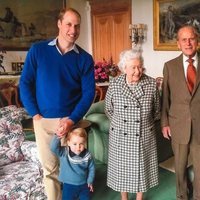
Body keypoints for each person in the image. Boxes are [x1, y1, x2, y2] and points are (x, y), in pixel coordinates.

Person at [19, 7, 95, 200]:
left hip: (71, 122)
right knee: (50, 170)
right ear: (59, 24)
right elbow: (25, 83)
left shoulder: (85, 58)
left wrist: (71, 120)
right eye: (69, 24)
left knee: (74, 168)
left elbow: (88, 94)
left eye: (77, 26)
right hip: (43, 121)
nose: (73, 30)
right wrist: (35, 114)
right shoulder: (38, 50)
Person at [105, 49, 160, 200]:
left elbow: (157, 110)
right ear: (124, 68)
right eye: (133, 67)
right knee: (122, 169)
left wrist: (145, 124)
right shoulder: (115, 83)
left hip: (143, 134)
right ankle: (124, 197)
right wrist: (119, 125)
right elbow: (108, 109)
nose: (137, 71)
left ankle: (139, 197)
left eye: (140, 66)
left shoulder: (150, 83)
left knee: (141, 168)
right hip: (120, 135)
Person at [161, 25, 200, 200]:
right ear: (178, 44)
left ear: (197, 41)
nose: (188, 43)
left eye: (191, 38)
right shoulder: (169, 66)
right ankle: (182, 195)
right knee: (180, 165)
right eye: (184, 39)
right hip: (178, 125)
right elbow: (165, 98)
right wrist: (164, 123)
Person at [50, 127, 95, 200]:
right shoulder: (64, 152)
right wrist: (57, 135)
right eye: (74, 144)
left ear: (85, 143)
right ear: (68, 142)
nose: (78, 147)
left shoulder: (88, 155)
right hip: (68, 185)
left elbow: (91, 168)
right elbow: (53, 147)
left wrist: (90, 180)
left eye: (81, 144)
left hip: (84, 184)